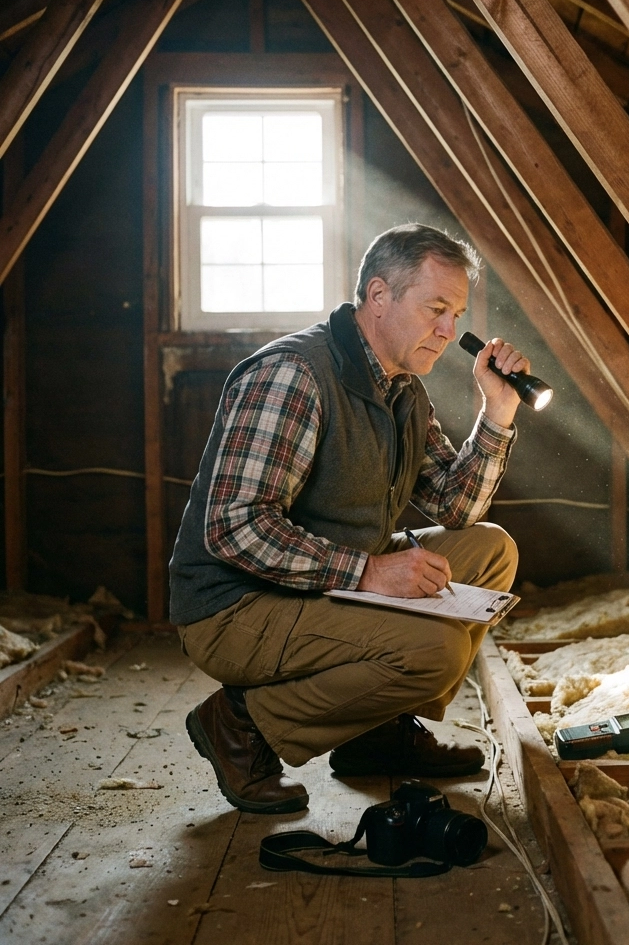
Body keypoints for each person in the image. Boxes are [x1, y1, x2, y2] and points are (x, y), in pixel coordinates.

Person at [168, 223, 530, 814]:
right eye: (436, 308)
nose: (449, 330)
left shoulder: (404, 388)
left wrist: (498, 409)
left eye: (456, 313)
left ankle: (373, 732)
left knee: (491, 550)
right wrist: (367, 572)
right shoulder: (295, 374)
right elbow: (234, 527)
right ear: (379, 296)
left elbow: (457, 507)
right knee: (433, 653)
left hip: (324, 583)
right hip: (235, 606)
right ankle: (240, 724)